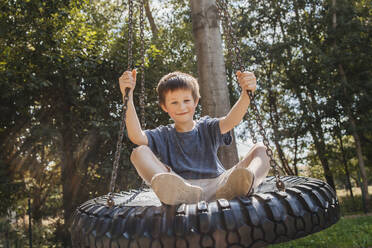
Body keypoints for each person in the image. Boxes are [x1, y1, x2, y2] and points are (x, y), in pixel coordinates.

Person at [119, 69, 270, 205]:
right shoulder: (163, 134)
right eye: (174, 102)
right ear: (164, 106)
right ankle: (179, 194)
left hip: (220, 184)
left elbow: (231, 121)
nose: (182, 107)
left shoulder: (207, 126)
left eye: (186, 101)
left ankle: (245, 182)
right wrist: (128, 96)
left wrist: (246, 94)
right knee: (139, 152)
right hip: (180, 186)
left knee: (261, 149)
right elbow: (137, 136)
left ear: (196, 101)